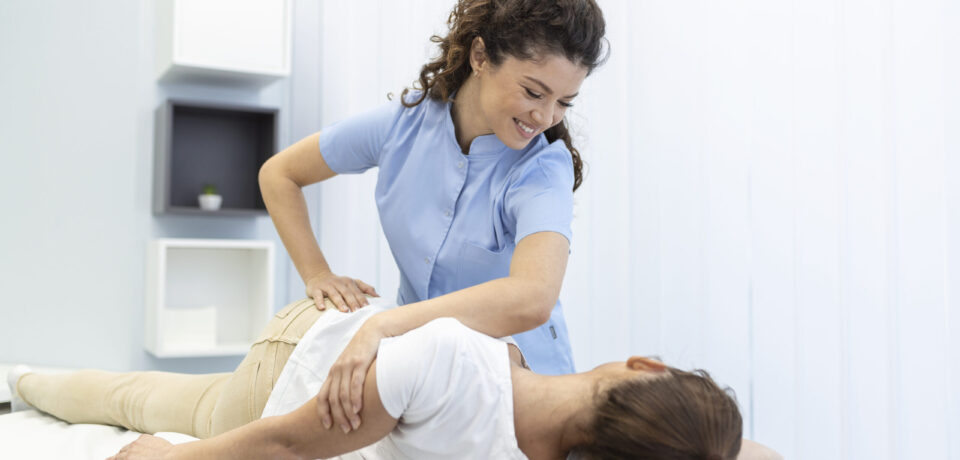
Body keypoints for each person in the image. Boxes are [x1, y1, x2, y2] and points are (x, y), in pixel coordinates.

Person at [257, 0, 606, 434]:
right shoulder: (403, 127)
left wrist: (384, 326)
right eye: (534, 92)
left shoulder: (541, 169)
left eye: (564, 102)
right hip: (422, 381)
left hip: (524, 394)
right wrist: (317, 274)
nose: (546, 116)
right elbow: (280, 174)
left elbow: (533, 298)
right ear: (480, 56)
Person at [8, 298, 775, 460]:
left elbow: (280, 443)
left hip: (288, 381)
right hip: (322, 342)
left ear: (646, 367)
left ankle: (25, 380)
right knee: (136, 393)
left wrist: (160, 459)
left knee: (136, 400)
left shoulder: (456, 363)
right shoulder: (463, 371)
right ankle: (25, 379)